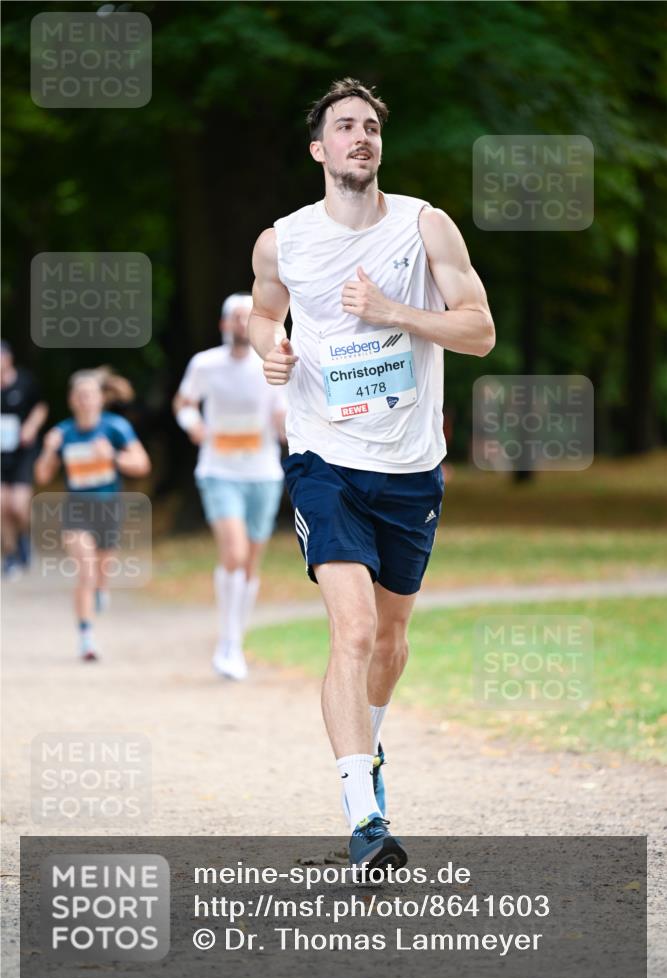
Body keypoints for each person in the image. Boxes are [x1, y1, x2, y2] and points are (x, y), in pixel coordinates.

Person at [248, 78, 495, 871]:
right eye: (344, 127)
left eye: (370, 128)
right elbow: (263, 310)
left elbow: (479, 332)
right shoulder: (281, 240)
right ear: (319, 149)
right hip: (323, 456)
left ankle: (371, 749)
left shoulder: (425, 226)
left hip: (411, 465)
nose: (360, 138)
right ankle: (363, 817)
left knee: (391, 636)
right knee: (351, 628)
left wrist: (393, 312)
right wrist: (269, 346)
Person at [173, 294, 287, 681]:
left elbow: (280, 414)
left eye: (247, 317)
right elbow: (184, 402)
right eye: (235, 318)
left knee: (251, 562)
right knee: (234, 553)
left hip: (263, 473)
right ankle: (227, 641)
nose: (241, 324)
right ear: (224, 325)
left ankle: (236, 640)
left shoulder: (269, 365)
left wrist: (288, 428)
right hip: (219, 471)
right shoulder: (205, 364)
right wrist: (193, 425)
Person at [35, 369, 151, 661]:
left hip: (109, 508)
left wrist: (111, 455)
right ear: (72, 401)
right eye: (80, 396)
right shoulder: (63, 433)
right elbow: (42, 475)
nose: (86, 400)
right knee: (85, 571)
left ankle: (102, 588)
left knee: (101, 570)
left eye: (91, 395)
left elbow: (141, 465)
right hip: (77, 510)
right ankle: (86, 638)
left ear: (101, 399)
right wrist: (49, 451)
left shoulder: (116, 428)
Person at [1, 341, 48, 577]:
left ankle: (23, 538)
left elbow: (41, 407)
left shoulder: (24, 381)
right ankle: (9, 555)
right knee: (1, 505)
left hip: (22, 453)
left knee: (18, 506)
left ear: (9, 358)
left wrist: (31, 426)